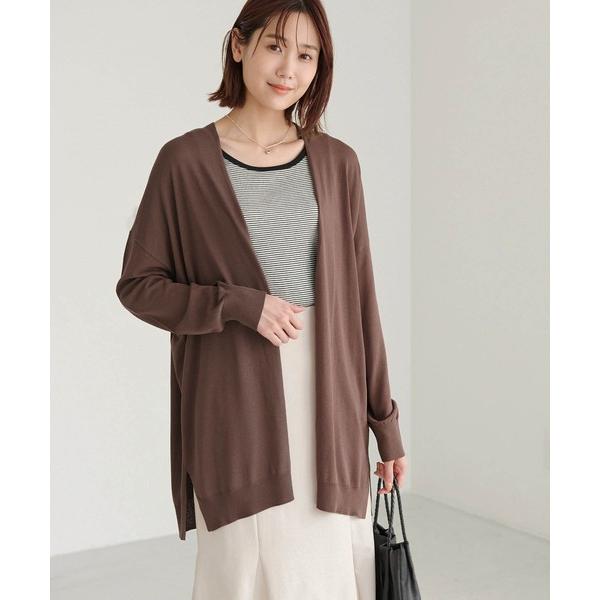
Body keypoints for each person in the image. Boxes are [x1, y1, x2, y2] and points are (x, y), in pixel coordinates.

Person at [116, 1, 407, 598]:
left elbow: (361, 303)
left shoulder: (338, 163)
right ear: (238, 45)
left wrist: (385, 425)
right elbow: (140, 286)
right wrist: (238, 304)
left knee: (327, 568)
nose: (288, 69)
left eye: (306, 55)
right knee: (243, 570)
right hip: (234, 404)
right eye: (275, 46)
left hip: (330, 403)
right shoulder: (184, 162)